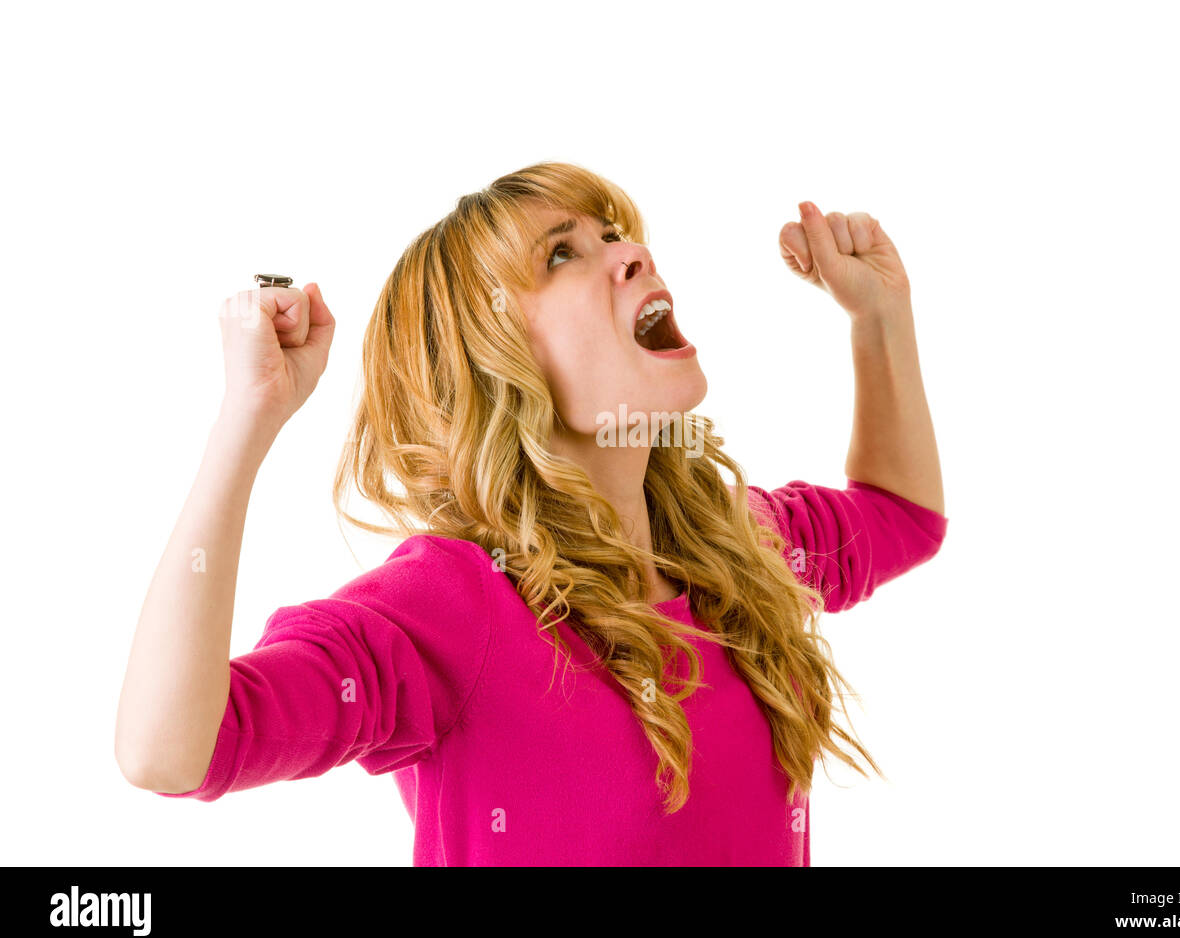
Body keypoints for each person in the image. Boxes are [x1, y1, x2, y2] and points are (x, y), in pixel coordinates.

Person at [114, 161, 948, 866]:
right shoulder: (453, 607)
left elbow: (903, 516)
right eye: (562, 254)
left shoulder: (732, 545)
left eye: (612, 232)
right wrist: (247, 419)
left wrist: (880, 316)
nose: (632, 254)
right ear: (489, 360)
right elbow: (169, 753)